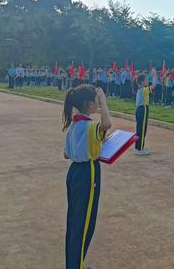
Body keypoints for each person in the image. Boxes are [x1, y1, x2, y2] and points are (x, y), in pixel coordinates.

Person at [63, 85, 112, 269]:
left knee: (75, 221)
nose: (99, 105)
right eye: (98, 102)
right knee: (84, 224)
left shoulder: (74, 125)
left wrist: (90, 145)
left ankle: (75, 264)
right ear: (89, 104)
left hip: (74, 172)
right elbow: (106, 124)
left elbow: (66, 154)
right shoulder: (90, 126)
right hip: (88, 173)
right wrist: (105, 102)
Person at [134, 73, 156, 156]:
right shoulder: (143, 90)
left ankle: (138, 147)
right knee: (142, 130)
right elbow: (153, 86)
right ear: (142, 82)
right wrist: (154, 76)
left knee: (139, 129)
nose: (147, 81)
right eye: (146, 80)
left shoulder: (141, 89)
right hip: (143, 109)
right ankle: (140, 149)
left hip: (140, 110)